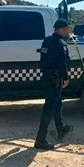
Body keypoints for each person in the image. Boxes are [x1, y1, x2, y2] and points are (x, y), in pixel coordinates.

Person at [34, 18, 72, 150]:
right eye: (67, 28)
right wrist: (66, 78)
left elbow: (43, 59)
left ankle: (60, 128)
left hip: (47, 77)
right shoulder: (60, 43)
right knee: (49, 109)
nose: (69, 31)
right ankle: (40, 140)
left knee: (57, 103)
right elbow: (63, 63)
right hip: (55, 79)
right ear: (61, 29)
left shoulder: (47, 40)